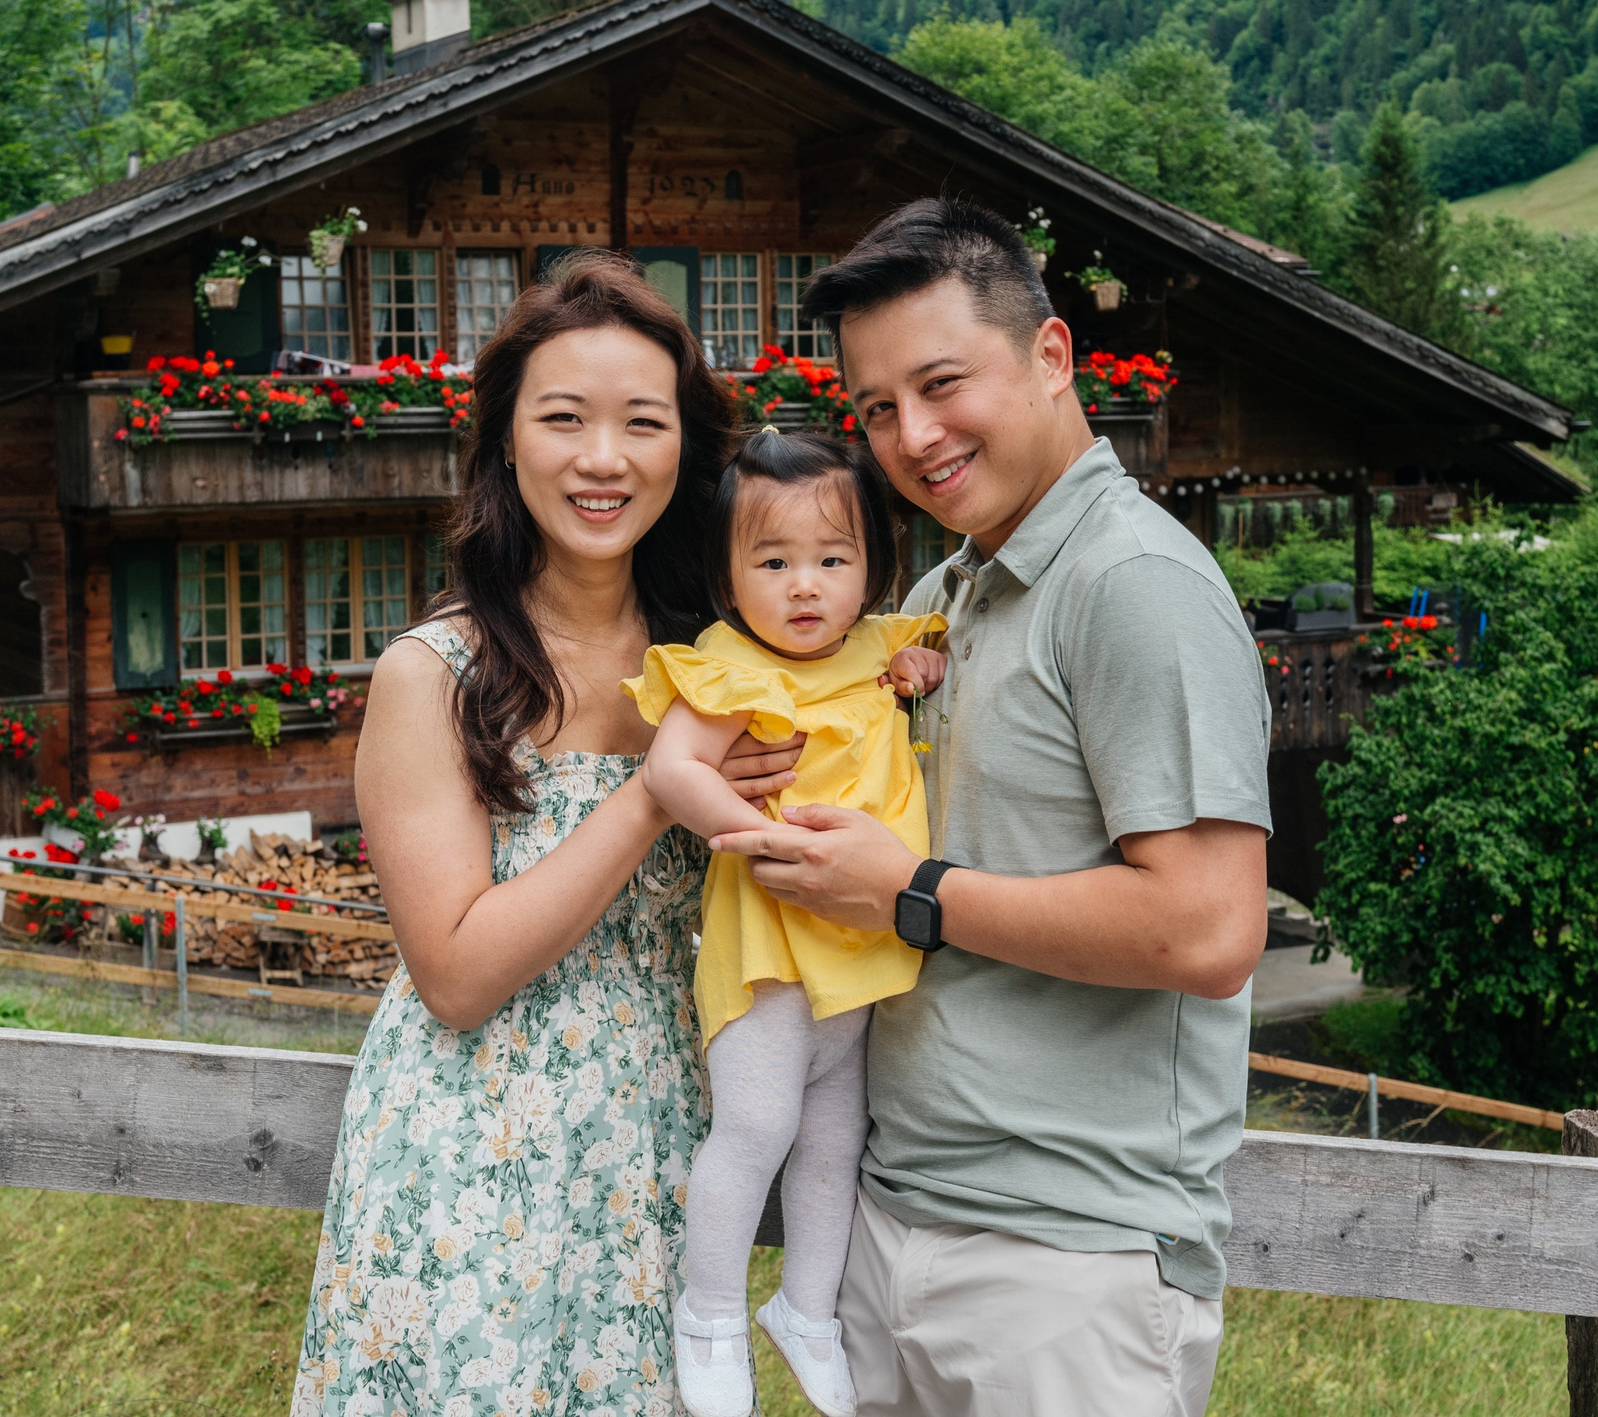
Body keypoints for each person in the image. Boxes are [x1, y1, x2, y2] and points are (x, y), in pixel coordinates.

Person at [711, 199, 1273, 1416]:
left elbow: (1210, 930)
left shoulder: (1133, 584)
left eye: (940, 382)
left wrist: (907, 895)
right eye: (873, 407)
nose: (911, 435)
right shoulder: (936, 593)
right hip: (891, 1217)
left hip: (1065, 1264)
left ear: (1053, 355)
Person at [292, 253, 772, 1417]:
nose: (601, 458)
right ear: (508, 439)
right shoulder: (435, 674)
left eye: (641, 423)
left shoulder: (731, 663)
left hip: (658, 1150)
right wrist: (657, 791)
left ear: (683, 448)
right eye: (563, 418)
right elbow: (453, 971)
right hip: (471, 1161)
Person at [625, 427, 947, 1417]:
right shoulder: (729, 665)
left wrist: (919, 675)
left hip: (859, 948)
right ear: (729, 577)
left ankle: (806, 1309)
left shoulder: (877, 646)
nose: (804, 585)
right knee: (756, 1123)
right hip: (771, 944)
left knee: (834, 1136)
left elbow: (920, 657)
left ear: (871, 569)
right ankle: (710, 1313)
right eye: (772, 561)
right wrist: (756, 839)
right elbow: (670, 769)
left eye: (831, 559)